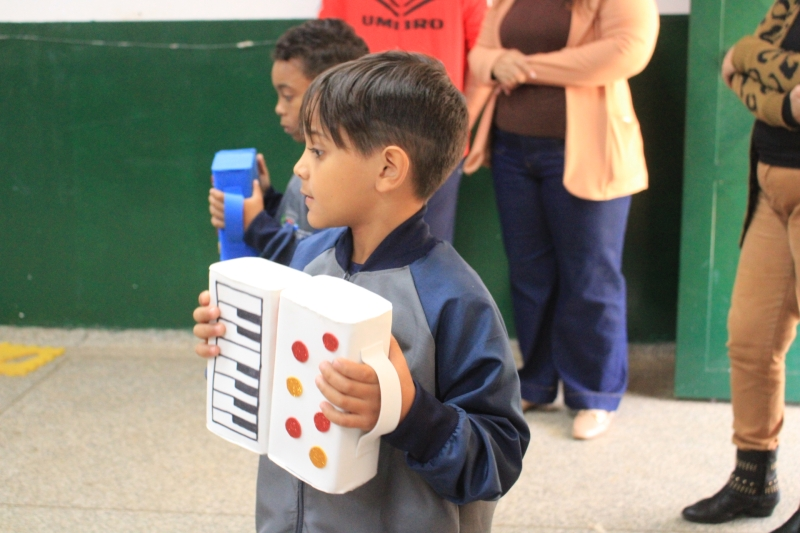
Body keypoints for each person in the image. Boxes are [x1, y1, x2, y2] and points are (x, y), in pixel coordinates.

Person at [193, 51, 530, 533]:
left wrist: (407, 412)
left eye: (318, 150)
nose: (300, 168)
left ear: (388, 168)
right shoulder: (307, 259)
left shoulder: (453, 299)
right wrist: (235, 344)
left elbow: (498, 460)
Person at [466, 0, 659, 440]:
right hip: (512, 150)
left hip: (586, 150)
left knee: (591, 277)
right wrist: (497, 62)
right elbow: (480, 54)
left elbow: (626, 50)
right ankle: (535, 382)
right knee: (529, 274)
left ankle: (594, 394)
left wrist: (524, 68)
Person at [682, 0, 800, 528]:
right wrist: (783, 104)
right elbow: (734, 63)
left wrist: (755, 66)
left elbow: (747, 63)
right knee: (751, 340)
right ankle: (754, 480)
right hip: (771, 189)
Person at [318, 0, 488, 243]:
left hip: (434, 144)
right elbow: (326, 53)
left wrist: (456, 127)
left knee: (428, 249)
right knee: (353, 248)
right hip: (360, 141)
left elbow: (485, 60)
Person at [208, 19, 368, 265]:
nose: (279, 108)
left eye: (288, 96)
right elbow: (299, 228)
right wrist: (267, 201)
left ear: (329, 89)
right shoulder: (308, 167)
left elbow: (322, 262)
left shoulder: (345, 180)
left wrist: (257, 227)